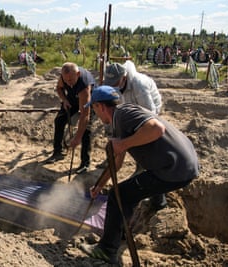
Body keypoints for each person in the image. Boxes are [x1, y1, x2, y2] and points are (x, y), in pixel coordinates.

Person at [82, 85, 199, 264]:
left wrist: (123, 144)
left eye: (94, 108)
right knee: (132, 189)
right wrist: (99, 185)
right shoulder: (121, 118)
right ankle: (153, 209)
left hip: (174, 169)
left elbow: (156, 129)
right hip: (181, 165)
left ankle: (106, 249)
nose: (95, 114)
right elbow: (117, 163)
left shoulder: (123, 114)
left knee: (119, 195)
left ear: (100, 106)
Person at [104, 60, 166, 209]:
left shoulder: (139, 85)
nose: (113, 85)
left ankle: (158, 201)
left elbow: (150, 114)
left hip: (149, 114)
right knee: (136, 148)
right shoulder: (116, 86)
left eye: (115, 82)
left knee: (147, 152)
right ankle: (141, 170)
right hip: (132, 113)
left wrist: (135, 137)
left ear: (124, 77)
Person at [45, 62, 95, 174]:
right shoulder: (64, 78)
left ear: (77, 74)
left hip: (88, 101)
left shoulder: (84, 86)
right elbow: (59, 88)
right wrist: (64, 100)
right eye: (66, 81)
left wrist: (77, 138)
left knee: (86, 131)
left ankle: (85, 163)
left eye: (71, 80)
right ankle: (58, 152)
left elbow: (84, 116)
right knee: (59, 120)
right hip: (72, 99)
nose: (69, 83)